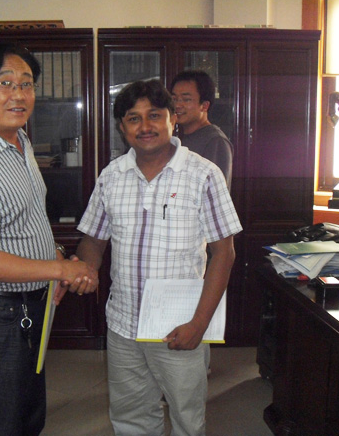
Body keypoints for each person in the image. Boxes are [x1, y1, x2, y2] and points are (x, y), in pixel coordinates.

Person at [0, 43, 98, 436]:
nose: (18, 94)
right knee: (4, 422)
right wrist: (60, 269)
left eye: (26, 84)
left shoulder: (19, 141)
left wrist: (53, 258)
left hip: (29, 302)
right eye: (3, 83)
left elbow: (25, 221)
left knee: (28, 413)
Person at [72, 79, 242, 435]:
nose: (145, 126)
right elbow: (94, 241)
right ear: (122, 127)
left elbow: (223, 254)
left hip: (179, 325)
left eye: (154, 115)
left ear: (172, 119)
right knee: (131, 416)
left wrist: (199, 324)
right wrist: (83, 270)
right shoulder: (111, 176)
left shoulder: (203, 174)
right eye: (133, 118)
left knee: (186, 417)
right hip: (123, 324)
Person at [171, 70, 233, 188]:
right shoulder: (179, 137)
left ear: (204, 106)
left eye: (186, 99)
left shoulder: (215, 141)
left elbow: (214, 192)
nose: (177, 105)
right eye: (174, 99)